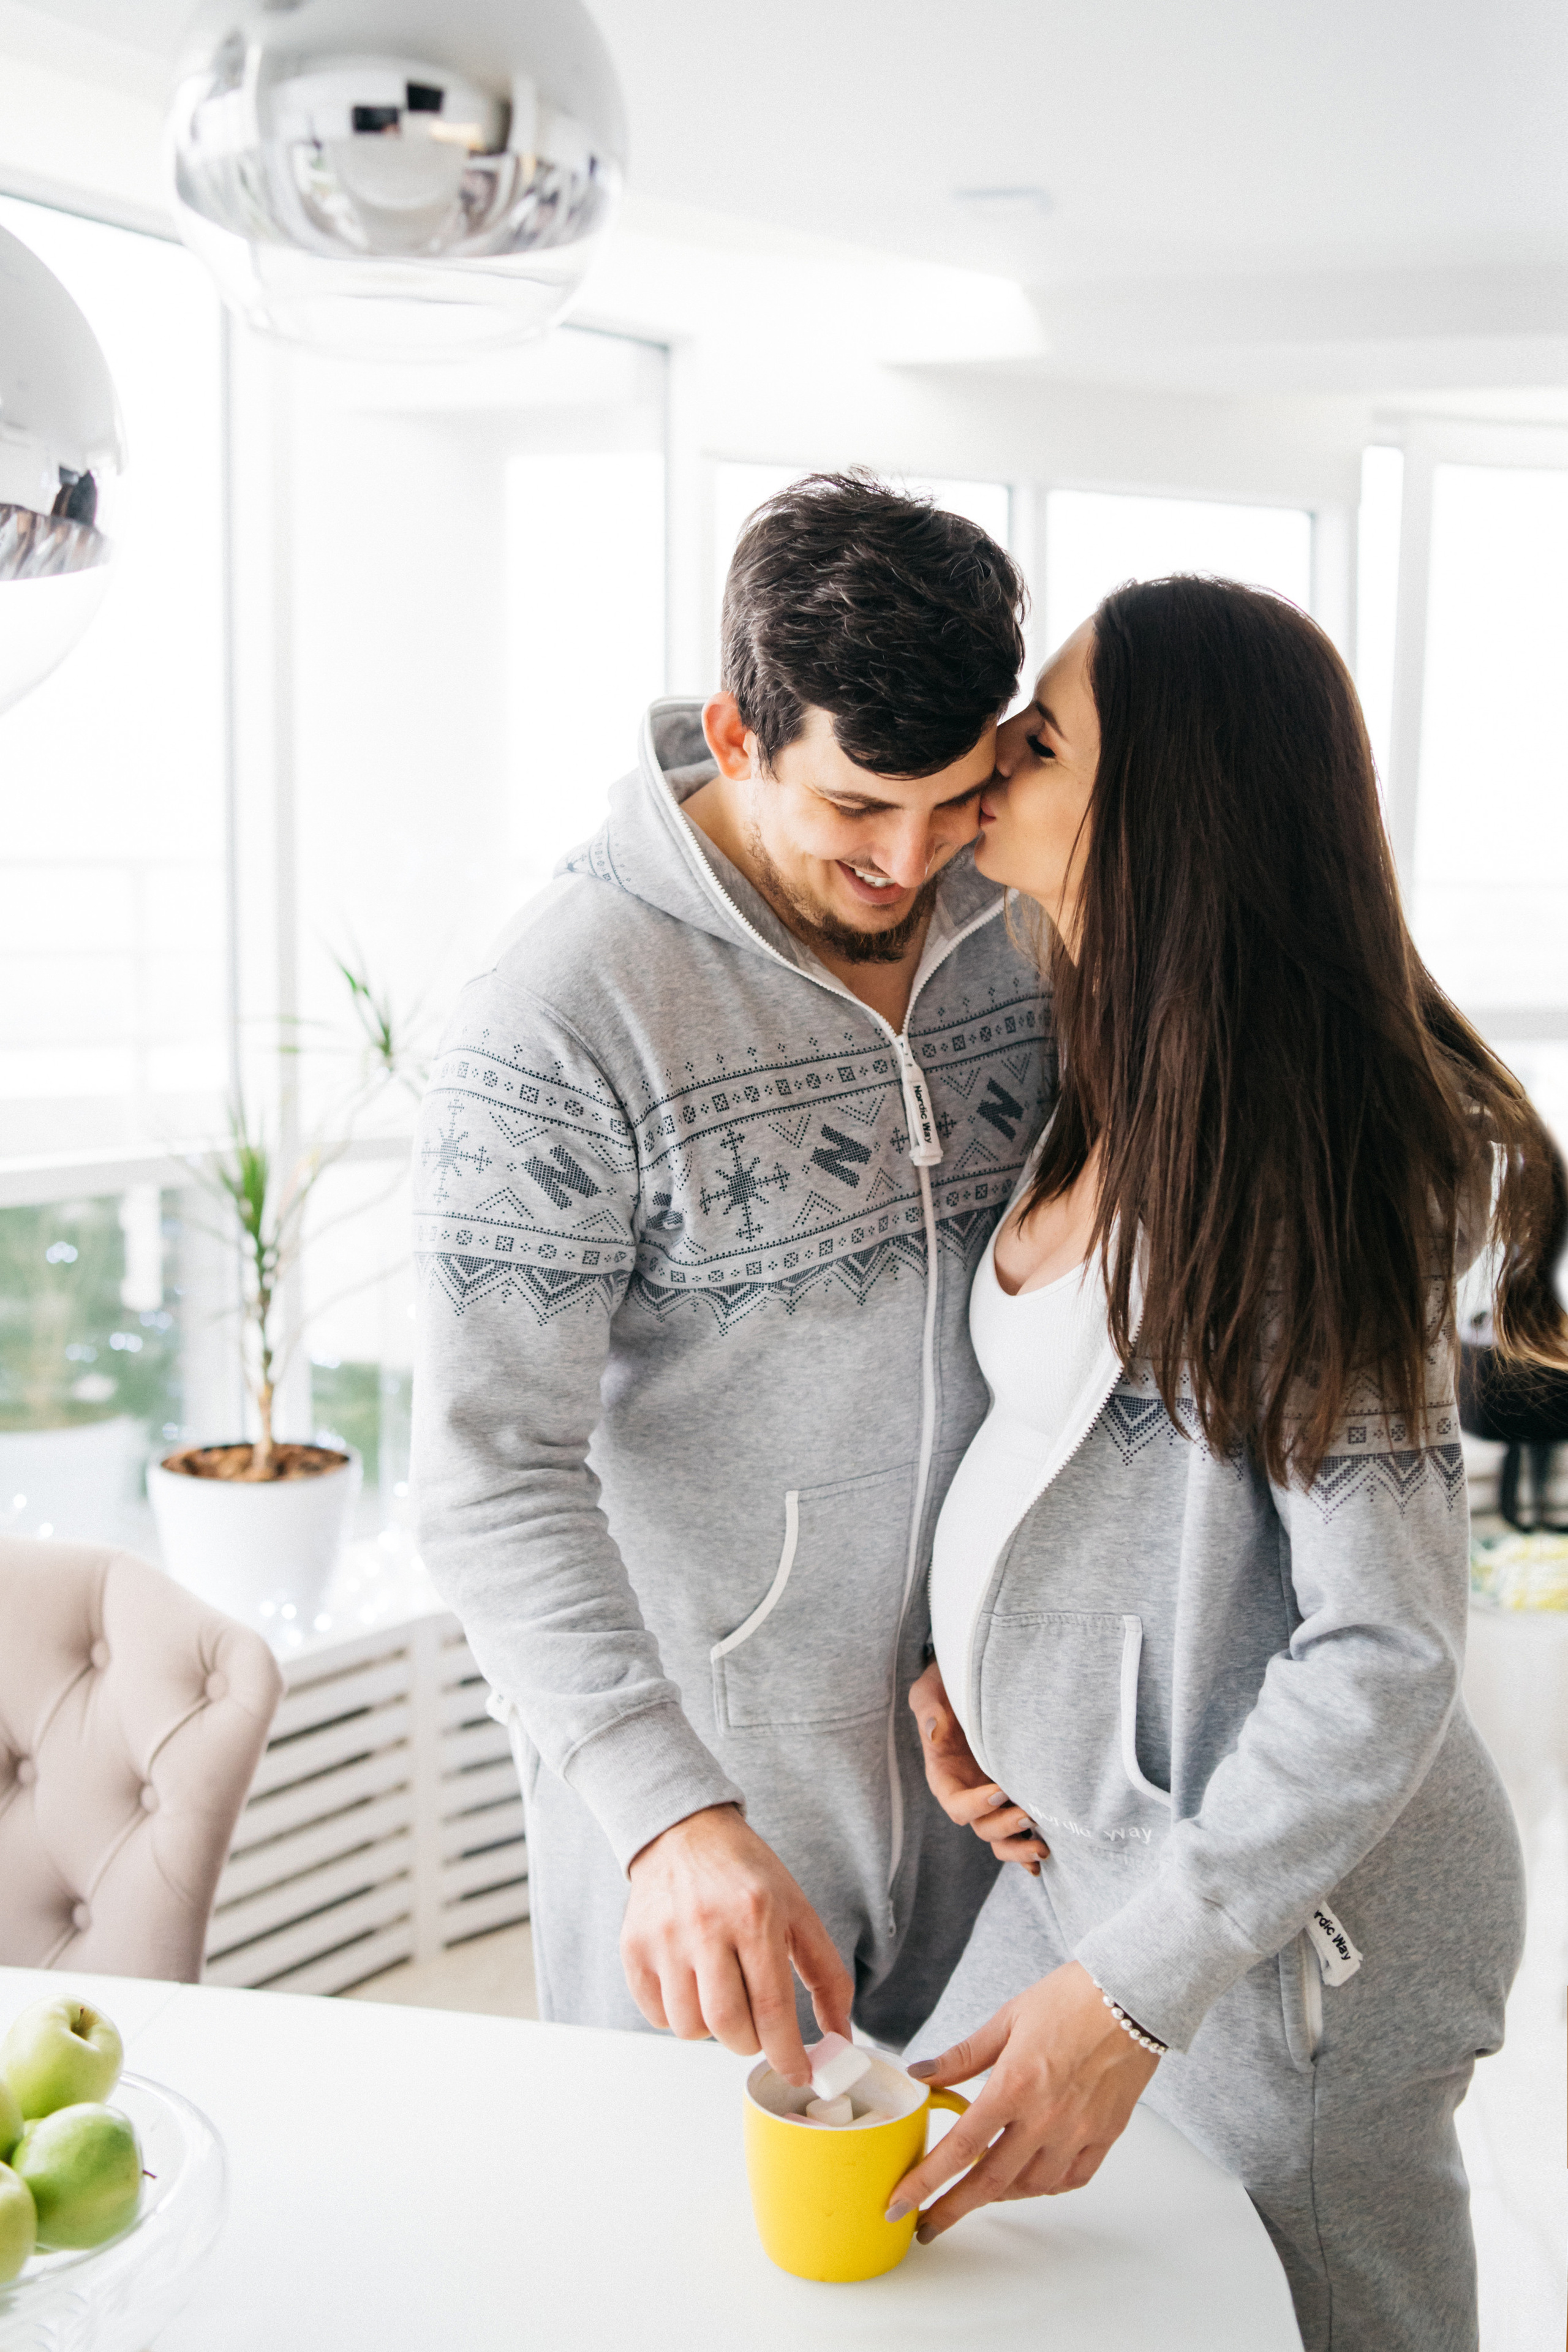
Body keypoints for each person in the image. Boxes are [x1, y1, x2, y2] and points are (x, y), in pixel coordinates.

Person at [883, 578, 1559, 2351]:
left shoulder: (1300, 1175)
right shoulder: (1105, 1065)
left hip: (1296, 1939)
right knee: (976, 2253)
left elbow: (1387, 1646)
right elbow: (1059, 1456)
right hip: (1082, 1867)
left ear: (1157, 807)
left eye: (1036, 743)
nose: (984, 771)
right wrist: (970, 1682)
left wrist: (1133, 1999)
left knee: (1338, 2322)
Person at [411, 473, 1053, 2087]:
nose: (910, 864)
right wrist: (667, 1813)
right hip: (715, 1808)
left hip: (1002, 1783)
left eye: (954, 799)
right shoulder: (560, 1015)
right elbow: (489, 1466)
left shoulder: (1027, 920)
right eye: (854, 810)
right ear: (739, 731)